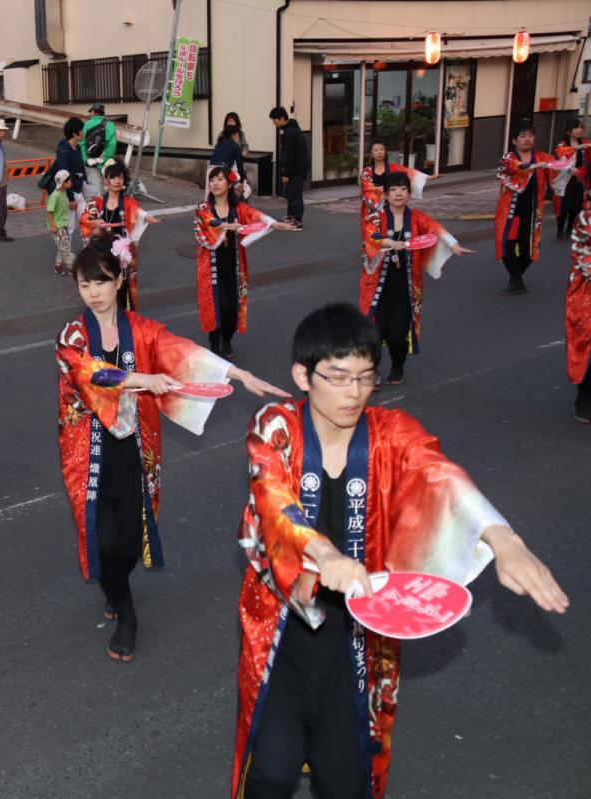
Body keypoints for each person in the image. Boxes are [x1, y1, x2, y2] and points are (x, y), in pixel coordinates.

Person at [232, 302, 568, 799]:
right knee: (272, 773)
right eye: (338, 376)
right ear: (303, 375)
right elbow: (273, 499)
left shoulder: (392, 433)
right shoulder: (275, 426)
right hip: (281, 630)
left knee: (346, 780)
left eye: (365, 377)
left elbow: (442, 475)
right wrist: (324, 556)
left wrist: (504, 540)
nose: (353, 392)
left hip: (361, 638)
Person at [57, 240, 287, 662]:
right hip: (88, 452)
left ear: (120, 281)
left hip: (134, 449)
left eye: (102, 282)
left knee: (129, 537)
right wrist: (142, 378)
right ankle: (126, 614)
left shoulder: (142, 330)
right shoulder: (73, 334)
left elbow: (185, 353)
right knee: (103, 536)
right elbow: (85, 371)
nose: (93, 292)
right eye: (85, 283)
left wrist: (237, 372)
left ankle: (115, 582)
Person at [360, 171, 474, 385]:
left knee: (397, 334)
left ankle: (397, 366)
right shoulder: (376, 217)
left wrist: (453, 245)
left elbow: (435, 230)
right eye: (393, 189)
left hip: (406, 287)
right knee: (373, 333)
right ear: (385, 194)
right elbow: (370, 236)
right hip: (377, 286)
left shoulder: (418, 217)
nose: (398, 193)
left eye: (403, 189)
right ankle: (370, 372)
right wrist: (389, 243)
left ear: (409, 193)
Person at [193, 165, 295, 358]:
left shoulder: (238, 208)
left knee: (232, 306)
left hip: (234, 262)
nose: (215, 184)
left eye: (220, 179)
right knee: (215, 305)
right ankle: (215, 343)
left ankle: (227, 338)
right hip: (211, 265)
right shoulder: (203, 207)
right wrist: (225, 226)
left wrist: (273, 223)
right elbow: (208, 222)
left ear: (229, 183)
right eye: (212, 180)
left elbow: (255, 215)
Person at [78, 161, 161, 310]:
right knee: (105, 282)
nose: (117, 181)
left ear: (124, 181)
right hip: (103, 249)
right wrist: (95, 222)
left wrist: (146, 217)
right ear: (106, 180)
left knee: (124, 283)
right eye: (113, 177)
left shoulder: (128, 202)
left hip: (123, 251)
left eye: (120, 178)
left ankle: (126, 314)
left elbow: (138, 212)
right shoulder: (97, 202)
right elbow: (85, 218)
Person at [495, 120, 559, 295]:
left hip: (532, 212)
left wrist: (566, 169)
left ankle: (516, 279)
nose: (527, 139)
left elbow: (555, 170)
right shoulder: (508, 158)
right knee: (507, 244)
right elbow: (509, 168)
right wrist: (530, 167)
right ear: (515, 141)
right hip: (511, 212)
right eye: (523, 136)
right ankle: (516, 280)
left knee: (529, 249)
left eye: (531, 135)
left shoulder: (543, 157)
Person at [359, 137, 437, 236]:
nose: (379, 152)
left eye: (382, 149)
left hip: (392, 204)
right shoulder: (366, 172)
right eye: (376, 150)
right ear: (371, 154)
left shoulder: (393, 167)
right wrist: (385, 192)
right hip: (373, 208)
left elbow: (409, 173)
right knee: (373, 234)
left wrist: (427, 177)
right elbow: (367, 190)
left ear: (385, 152)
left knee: (393, 229)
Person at [568, 191, 591, 423]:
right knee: (587, 344)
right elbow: (583, 255)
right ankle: (584, 395)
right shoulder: (586, 218)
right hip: (586, 291)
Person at [269, 106, 309, 229]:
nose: (274, 123)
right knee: (291, 192)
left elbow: (289, 155)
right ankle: (291, 216)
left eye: (275, 120)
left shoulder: (289, 132)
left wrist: (286, 173)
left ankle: (297, 220)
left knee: (295, 193)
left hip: (297, 168)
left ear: (282, 118)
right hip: (300, 167)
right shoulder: (292, 129)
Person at [54, 116, 86, 246]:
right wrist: (70, 198)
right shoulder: (64, 152)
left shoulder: (77, 148)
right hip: (67, 195)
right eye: (82, 130)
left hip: (78, 191)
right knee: (68, 229)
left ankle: (89, 257)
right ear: (75, 133)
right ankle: (61, 259)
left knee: (88, 223)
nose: (84, 133)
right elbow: (63, 177)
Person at [553, 118, 588, 240]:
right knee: (564, 206)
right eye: (576, 127)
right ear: (569, 131)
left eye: (580, 127)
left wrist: (584, 171)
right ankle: (560, 230)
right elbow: (560, 160)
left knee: (576, 207)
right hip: (565, 179)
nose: (579, 130)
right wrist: (569, 169)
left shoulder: (584, 145)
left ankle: (569, 230)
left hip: (579, 180)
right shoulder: (562, 145)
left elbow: (586, 162)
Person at [81, 104, 118, 197]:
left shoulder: (86, 125)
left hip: (90, 162)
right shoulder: (110, 125)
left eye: (90, 112)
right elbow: (112, 145)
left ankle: (94, 208)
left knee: (93, 189)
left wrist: (85, 159)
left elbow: (81, 143)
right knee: (108, 188)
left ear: (93, 112)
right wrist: (105, 159)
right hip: (104, 163)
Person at [46, 169, 76, 275]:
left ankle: (58, 266)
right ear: (63, 183)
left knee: (63, 246)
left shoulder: (63, 193)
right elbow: (49, 212)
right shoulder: (55, 195)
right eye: (69, 181)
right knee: (64, 247)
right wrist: (53, 225)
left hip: (63, 225)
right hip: (59, 227)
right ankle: (72, 266)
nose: (71, 182)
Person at [210, 125, 248, 201]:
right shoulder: (235, 146)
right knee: (226, 196)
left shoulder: (219, 144)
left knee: (212, 196)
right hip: (222, 171)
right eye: (236, 134)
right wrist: (242, 181)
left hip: (211, 171)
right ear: (232, 135)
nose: (237, 136)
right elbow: (240, 166)